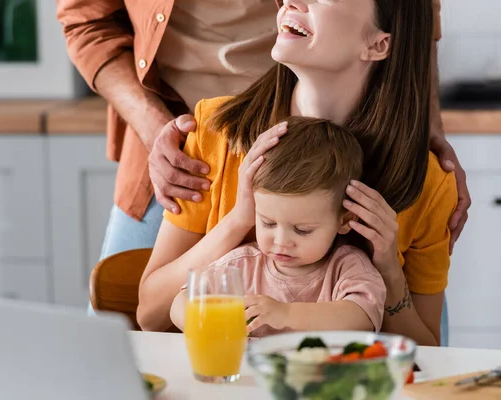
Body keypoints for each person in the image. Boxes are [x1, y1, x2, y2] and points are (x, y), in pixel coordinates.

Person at [136, 0, 458, 347]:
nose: (291, 1)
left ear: (378, 44)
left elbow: (427, 353)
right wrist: (237, 222)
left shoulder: (428, 183)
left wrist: (389, 272)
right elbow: (150, 315)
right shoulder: (214, 132)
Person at [56, 0, 469, 269]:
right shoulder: (208, 136)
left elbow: (408, 19)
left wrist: (422, 125)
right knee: (119, 340)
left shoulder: (421, 181)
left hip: (334, 117)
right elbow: (85, 21)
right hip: (193, 155)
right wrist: (157, 130)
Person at [170, 117, 387, 337]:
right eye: (268, 223)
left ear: (343, 220)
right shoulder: (243, 266)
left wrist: (286, 313)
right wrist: (209, 325)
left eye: (302, 230)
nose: (281, 241)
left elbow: (362, 316)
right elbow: (180, 302)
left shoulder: (347, 267)